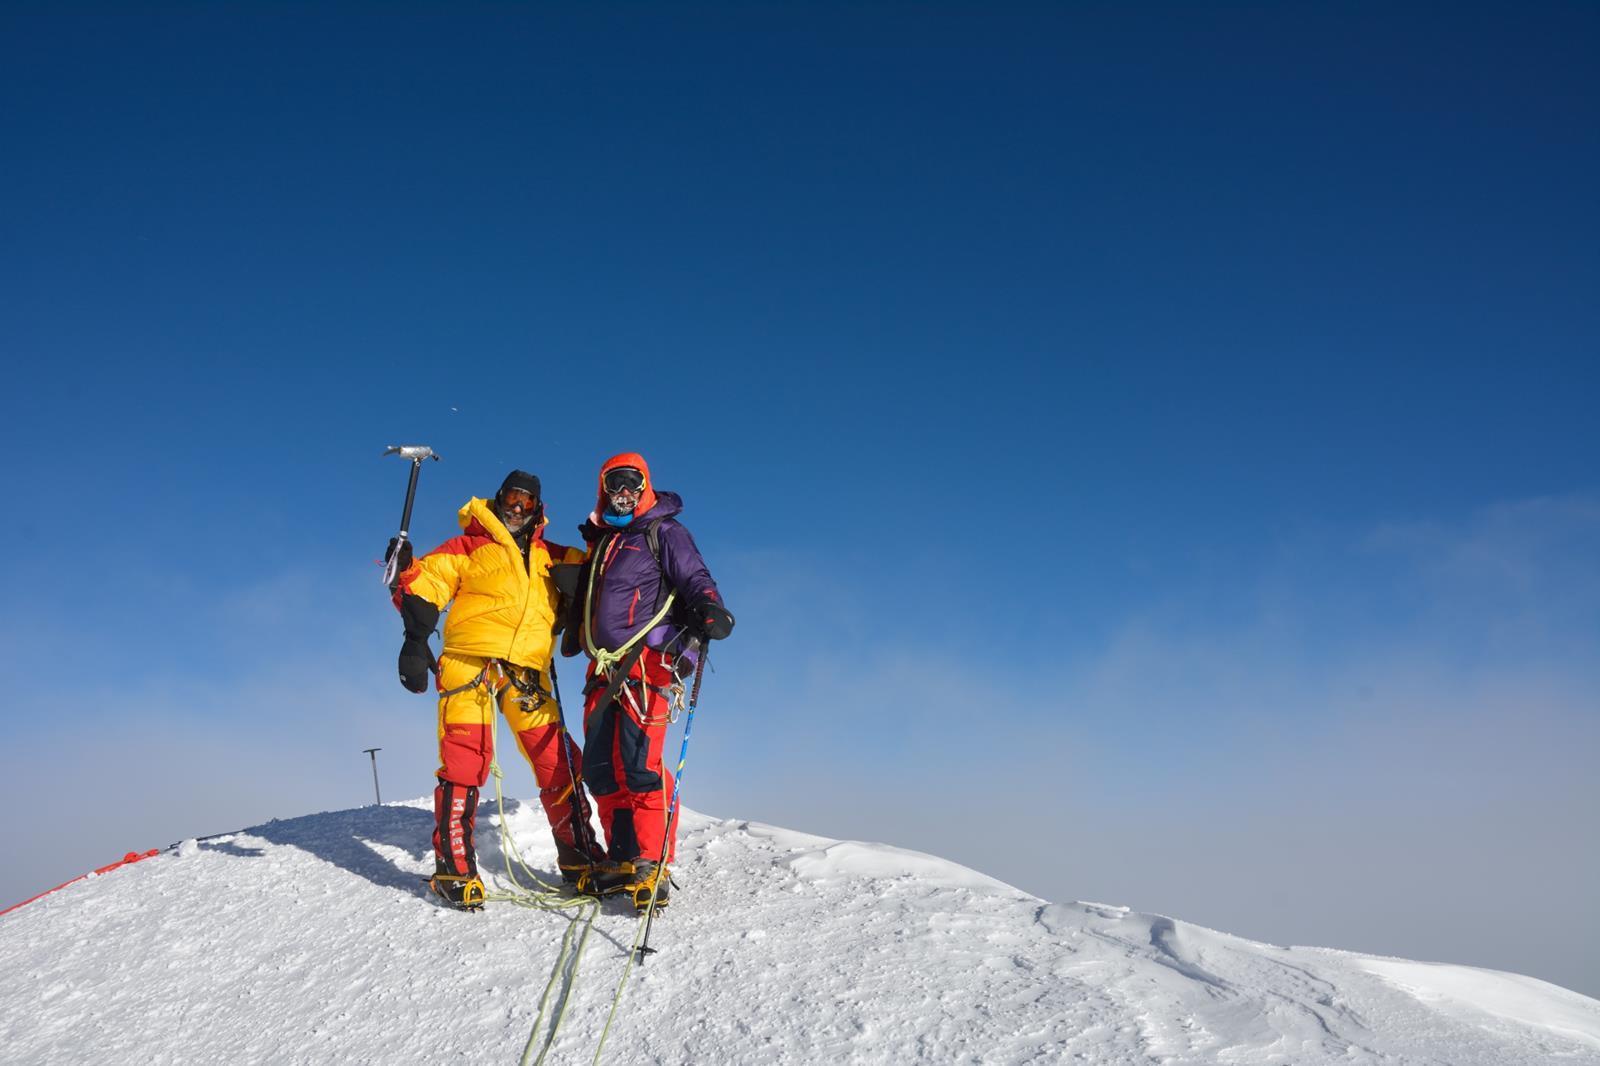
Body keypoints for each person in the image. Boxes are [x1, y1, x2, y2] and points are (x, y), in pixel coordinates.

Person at [387, 470, 603, 909]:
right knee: (465, 762)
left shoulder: (552, 556)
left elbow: (601, 577)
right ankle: (455, 868)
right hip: (469, 663)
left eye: (527, 502)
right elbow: (424, 583)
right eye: (512, 498)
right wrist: (403, 567)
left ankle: (581, 861)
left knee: (557, 761)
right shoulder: (467, 547)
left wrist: (598, 546)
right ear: (499, 498)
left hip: (526, 670)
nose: (517, 508)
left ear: (538, 508)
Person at [558, 452, 734, 909]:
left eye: (632, 481)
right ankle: (621, 857)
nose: (623, 489)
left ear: (645, 486)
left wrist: (711, 607)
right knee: (600, 767)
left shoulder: (663, 532)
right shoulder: (604, 543)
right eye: (615, 481)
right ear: (603, 487)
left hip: (645, 667)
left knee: (639, 766)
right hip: (601, 670)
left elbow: (695, 577)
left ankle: (652, 860)